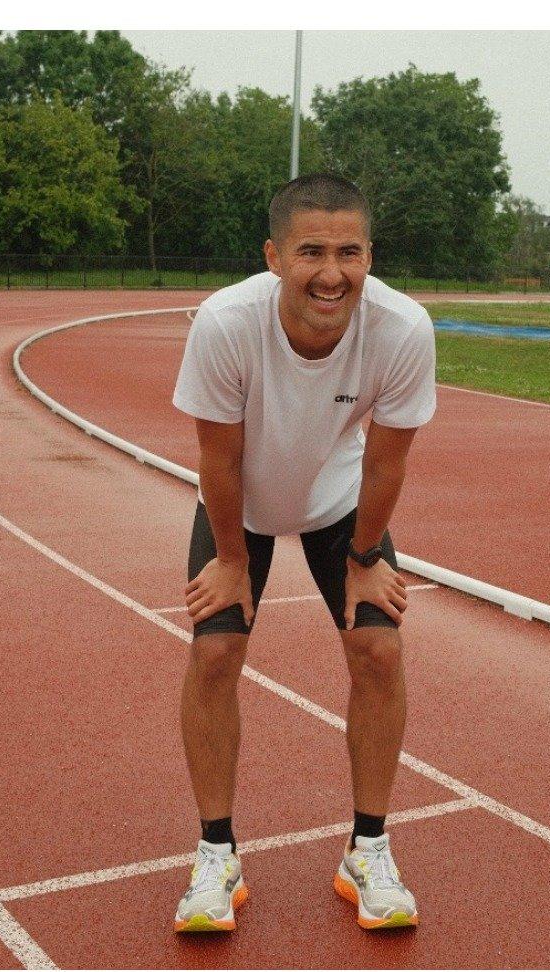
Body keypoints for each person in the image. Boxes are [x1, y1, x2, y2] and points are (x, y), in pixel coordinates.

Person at [169, 174, 436, 933]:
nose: (331, 272)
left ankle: (368, 850)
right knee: (215, 656)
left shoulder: (403, 329)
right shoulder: (227, 323)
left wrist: (362, 556)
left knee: (379, 648)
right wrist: (231, 559)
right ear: (274, 255)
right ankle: (216, 856)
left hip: (338, 500)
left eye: (349, 252)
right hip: (238, 506)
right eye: (311, 251)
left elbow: (386, 462)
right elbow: (217, 460)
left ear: (370, 255)